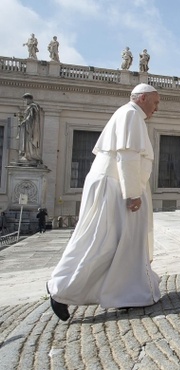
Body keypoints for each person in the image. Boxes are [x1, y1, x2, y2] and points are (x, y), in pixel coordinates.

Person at [46, 83, 161, 321]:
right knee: (103, 242)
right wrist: (132, 194)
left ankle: (124, 293)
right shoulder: (130, 114)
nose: (157, 108)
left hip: (114, 183)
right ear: (142, 98)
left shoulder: (128, 114)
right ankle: (61, 289)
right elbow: (127, 155)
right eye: (155, 102)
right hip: (115, 186)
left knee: (119, 242)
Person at [18, 93, 43, 164]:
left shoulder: (33, 107)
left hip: (30, 129)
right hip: (27, 128)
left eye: (26, 100)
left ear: (29, 99)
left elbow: (31, 118)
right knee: (27, 142)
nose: (26, 101)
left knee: (29, 142)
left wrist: (24, 122)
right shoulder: (31, 107)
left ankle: (30, 155)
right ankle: (27, 154)